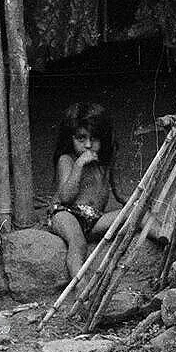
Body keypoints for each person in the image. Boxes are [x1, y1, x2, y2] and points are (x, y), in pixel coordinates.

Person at [48, 101, 122, 278]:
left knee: (136, 212)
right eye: (81, 139)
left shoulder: (104, 165)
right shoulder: (68, 160)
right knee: (78, 242)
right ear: (71, 138)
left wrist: (135, 202)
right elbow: (65, 197)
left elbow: (118, 194)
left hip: (94, 220)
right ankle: (79, 284)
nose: (88, 145)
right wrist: (79, 165)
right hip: (67, 213)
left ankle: (165, 237)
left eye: (94, 138)